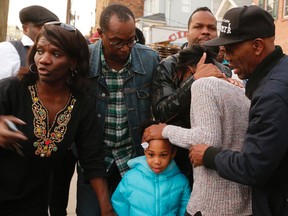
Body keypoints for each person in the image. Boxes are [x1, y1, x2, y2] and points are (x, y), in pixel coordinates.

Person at [0, 22, 114, 216]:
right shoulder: (11, 89)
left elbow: (92, 159)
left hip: (34, 201)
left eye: (56, 54)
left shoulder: (81, 104)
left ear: (73, 62)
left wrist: (106, 209)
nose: (43, 59)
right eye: (40, 51)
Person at [190, 5, 288, 216]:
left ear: (257, 46)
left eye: (231, 47)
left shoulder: (272, 94)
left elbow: (254, 167)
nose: (225, 54)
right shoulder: (280, 71)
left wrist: (209, 155)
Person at [143, 45, 252, 215]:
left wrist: (165, 131)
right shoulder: (240, 90)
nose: (181, 85)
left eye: (179, 78)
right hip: (243, 202)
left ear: (189, 69)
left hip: (211, 203)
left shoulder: (202, 84)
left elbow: (207, 141)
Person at [76, 3, 160, 216]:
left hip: (134, 161)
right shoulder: (82, 61)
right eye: (117, 42)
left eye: (130, 40)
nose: (125, 48)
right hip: (94, 163)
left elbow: (159, 109)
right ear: (100, 34)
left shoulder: (149, 60)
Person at [151, 6, 233, 187]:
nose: (205, 31)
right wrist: (195, 80)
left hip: (213, 163)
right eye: (199, 26)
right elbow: (162, 112)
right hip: (175, 162)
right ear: (187, 32)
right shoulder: (169, 66)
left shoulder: (225, 70)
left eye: (211, 28)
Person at [111, 120, 191, 216]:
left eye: (163, 155)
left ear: (173, 153)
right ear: (145, 151)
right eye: (151, 154)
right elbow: (119, 202)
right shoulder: (130, 178)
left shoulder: (181, 182)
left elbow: (185, 210)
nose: (157, 161)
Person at [0, 5, 59, 79]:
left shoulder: (59, 50)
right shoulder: (7, 49)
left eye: (52, 28)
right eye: (41, 27)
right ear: (25, 29)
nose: (48, 32)